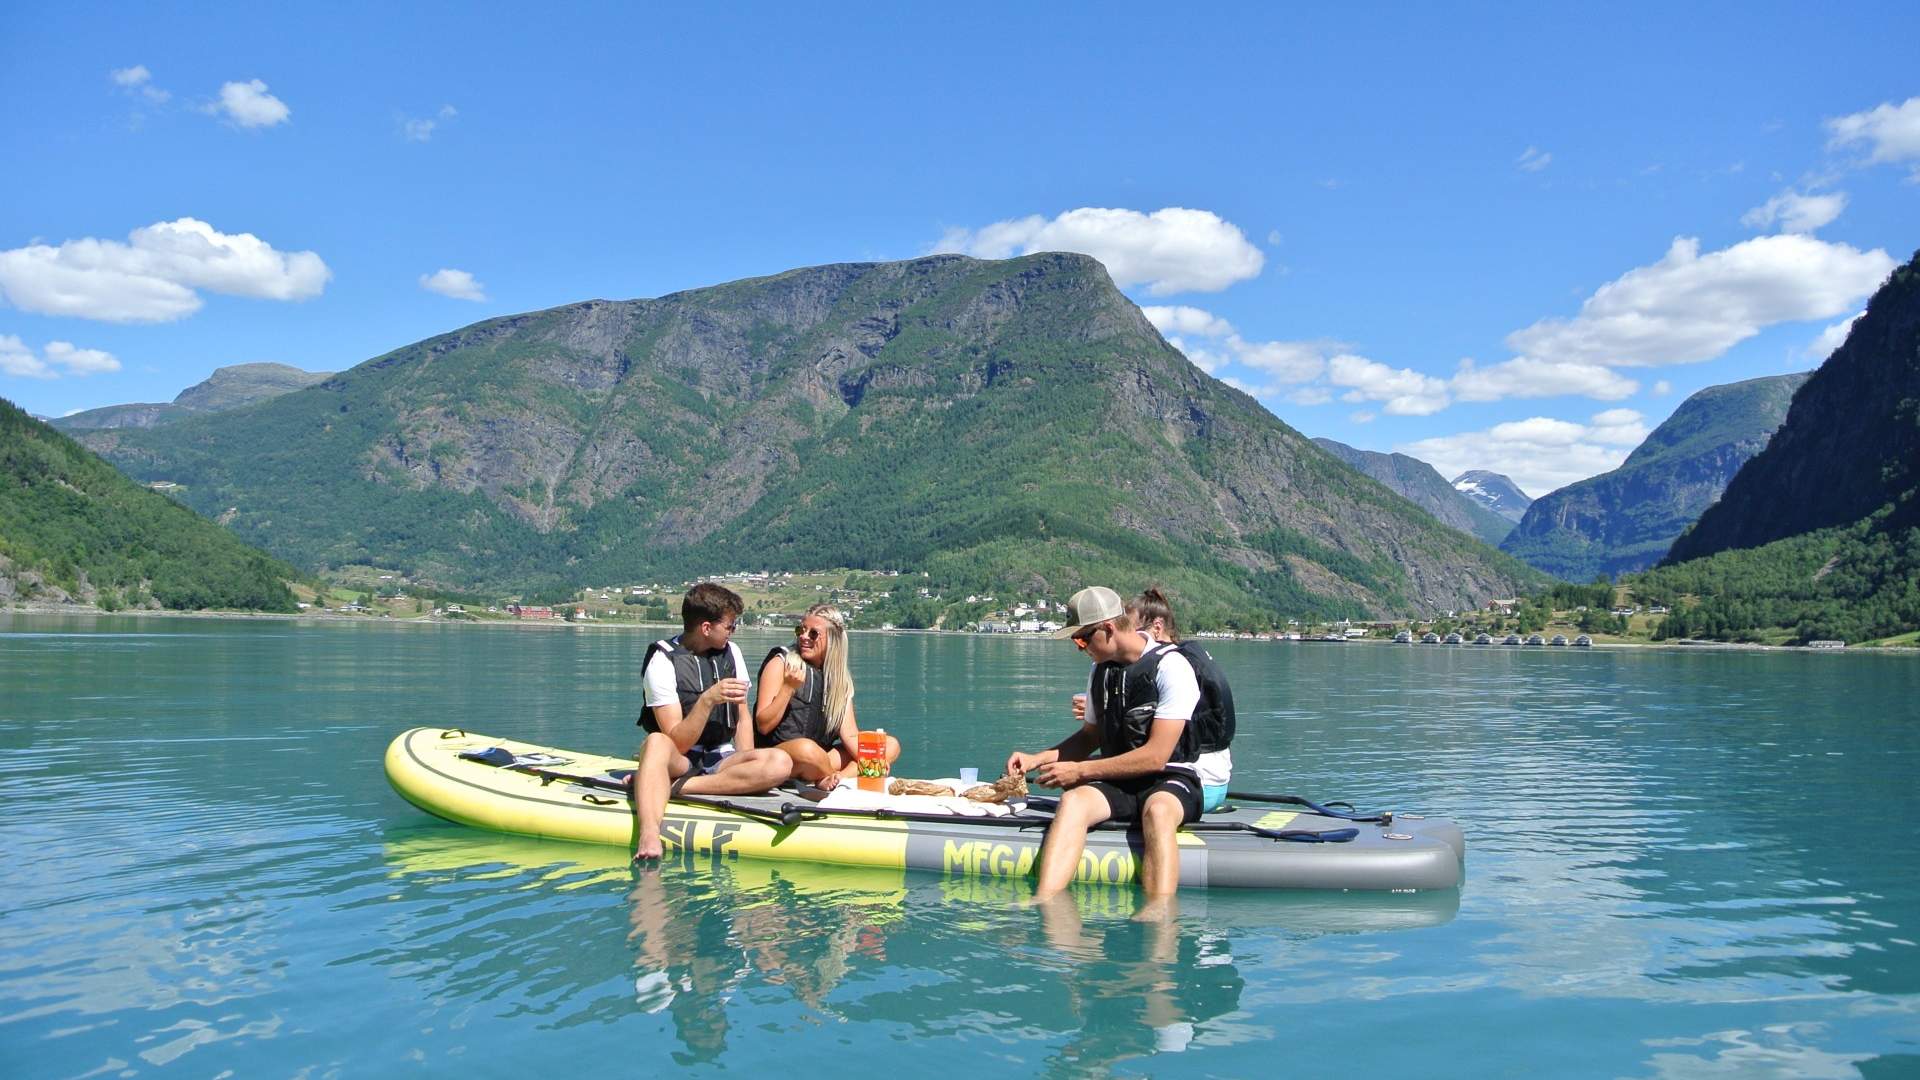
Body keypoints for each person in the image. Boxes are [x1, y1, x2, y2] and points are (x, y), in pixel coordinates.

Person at [1005, 586, 1204, 898]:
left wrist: (1080, 771)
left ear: (1108, 629)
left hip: (1170, 779)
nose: (1079, 648)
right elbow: (1090, 737)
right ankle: (1046, 901)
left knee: (1158, 812)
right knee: (1073, 802)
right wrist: (1036, 759)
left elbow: (1156, 756)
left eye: (1082, 640)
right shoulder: (1099, 671)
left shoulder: (1172, 667)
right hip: (1118, 782)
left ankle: (1159, 911)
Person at [630, 582, 793, 861]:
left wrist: (746, 764)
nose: (733, 631)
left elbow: (742, 716)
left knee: (780, 763)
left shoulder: (732, 652)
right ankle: (649, 833)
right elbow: (677, 740)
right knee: (655, 741)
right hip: (680, 759)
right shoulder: (662, 661)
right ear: (706, 628)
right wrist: (707, 700)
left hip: (720, 757)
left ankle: (664, 785)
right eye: (730, 626)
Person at [753, 604, 899, 788]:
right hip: (782, 758)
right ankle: (830, 776)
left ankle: (837, 779)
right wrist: (788, 688)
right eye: (801, 630)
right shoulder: (780, 663)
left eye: (813, 633)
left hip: (821, 758)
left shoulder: (839, 682)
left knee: (888, 745)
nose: (804, 637)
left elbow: (850, 736)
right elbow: (763, 726)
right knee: (807, 749)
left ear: (833, 639)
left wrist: (873, 757)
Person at [1124, 587, 1236, 813]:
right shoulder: (1192, 656)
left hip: (1196, 783)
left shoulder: (1173, 666)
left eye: (1130, 630)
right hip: (1217, 780)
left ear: (1157, 628)